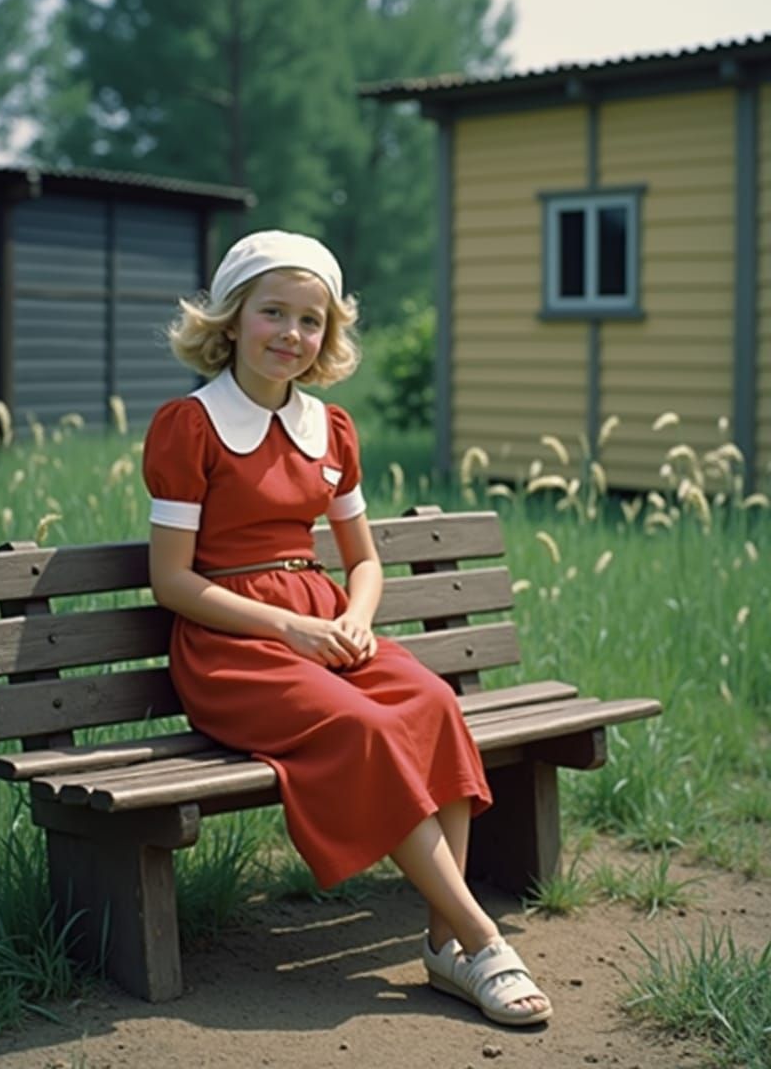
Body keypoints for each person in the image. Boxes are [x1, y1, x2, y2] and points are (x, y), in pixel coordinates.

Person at [142, 229, 552, 1027]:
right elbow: (172, 581)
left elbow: (363, 562)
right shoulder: (189, 426)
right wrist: (286, 631)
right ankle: (483, 936)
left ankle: (443, 946)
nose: (291, 335)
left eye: (311, 320)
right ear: (230, 319)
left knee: (432, 704)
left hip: (327, 628)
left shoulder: (330, 429)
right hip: (231, 649)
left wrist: (356, 619)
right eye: (273, 313)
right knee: (366, 728)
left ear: (329, 334)